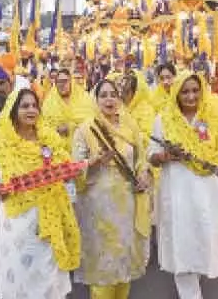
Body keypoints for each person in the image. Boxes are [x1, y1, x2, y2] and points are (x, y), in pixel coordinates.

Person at [149, 72, 218, 299]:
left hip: (207, 193)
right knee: (181, 244)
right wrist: (166, 156)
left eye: (195, 90)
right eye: (185, 92)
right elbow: (152, 157)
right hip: (176, 192)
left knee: (201, 243)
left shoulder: (214, 118)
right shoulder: (163, 119)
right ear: (176, 94)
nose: (191, 96)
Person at [0, 89, 80, 299]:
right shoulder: (1, 144)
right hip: (17, 225)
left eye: (35, 106)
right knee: (20, 278)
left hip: (50, 220)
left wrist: (69, 173)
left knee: (48, 277)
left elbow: (67, 169)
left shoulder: (49, 140)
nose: (31, 110)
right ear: (13, 110)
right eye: (25, 106)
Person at [73, 80, 152, 299]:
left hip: (126, 204)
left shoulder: (129, 127)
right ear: (95, 100)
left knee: (123, 263)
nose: (109, 100)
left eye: (113, 95)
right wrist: (94, 163)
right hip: (97, 207)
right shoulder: (85, 130)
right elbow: (75, 168)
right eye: (104, 95)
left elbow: (141, 158)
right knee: (103, 268)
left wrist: (143, 174)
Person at [40, 67, 96, 138]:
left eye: (65, 81)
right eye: (59, 81)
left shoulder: (84, 97)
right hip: (56, 141)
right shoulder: (49, 102)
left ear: (71, 82)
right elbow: (43, 125)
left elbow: (91, 121)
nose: (61, 84)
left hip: (81, 140)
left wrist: (71, 127)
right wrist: (56, 129)